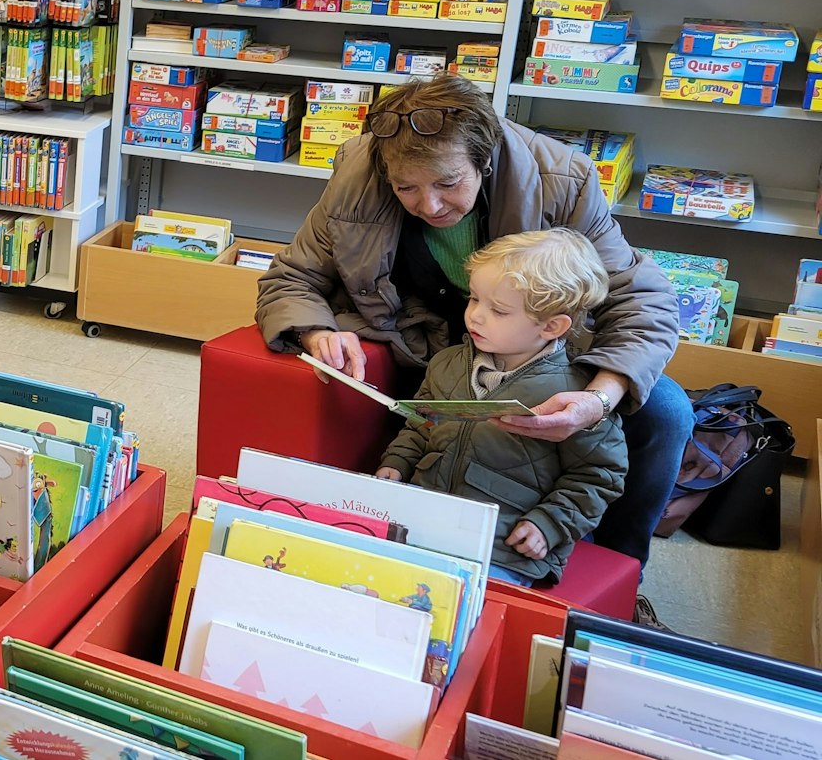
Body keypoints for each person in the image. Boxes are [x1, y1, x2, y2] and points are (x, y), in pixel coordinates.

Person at [256, 76, 692, 620]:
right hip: (419, 350)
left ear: (485, 161)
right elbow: (290, 279)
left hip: (538, 357)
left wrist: (599, 397)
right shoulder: (358, 174)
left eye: (447, 183)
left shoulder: (563, 179)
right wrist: (316, 331)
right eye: (406, 188)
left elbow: (640, 302)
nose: (429, 205)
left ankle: (619, 581)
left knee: (668, 411)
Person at [376, 230, 628, 587]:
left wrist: (550, 524)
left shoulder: (574, 395)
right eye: (474, 298)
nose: (475, 316)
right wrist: (396, 463)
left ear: (552, 326)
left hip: (503, 546)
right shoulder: (447, 364)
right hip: (425, 520)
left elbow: (599, 475)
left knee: (450, 609)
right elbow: (421, 424)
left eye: (498, 310)